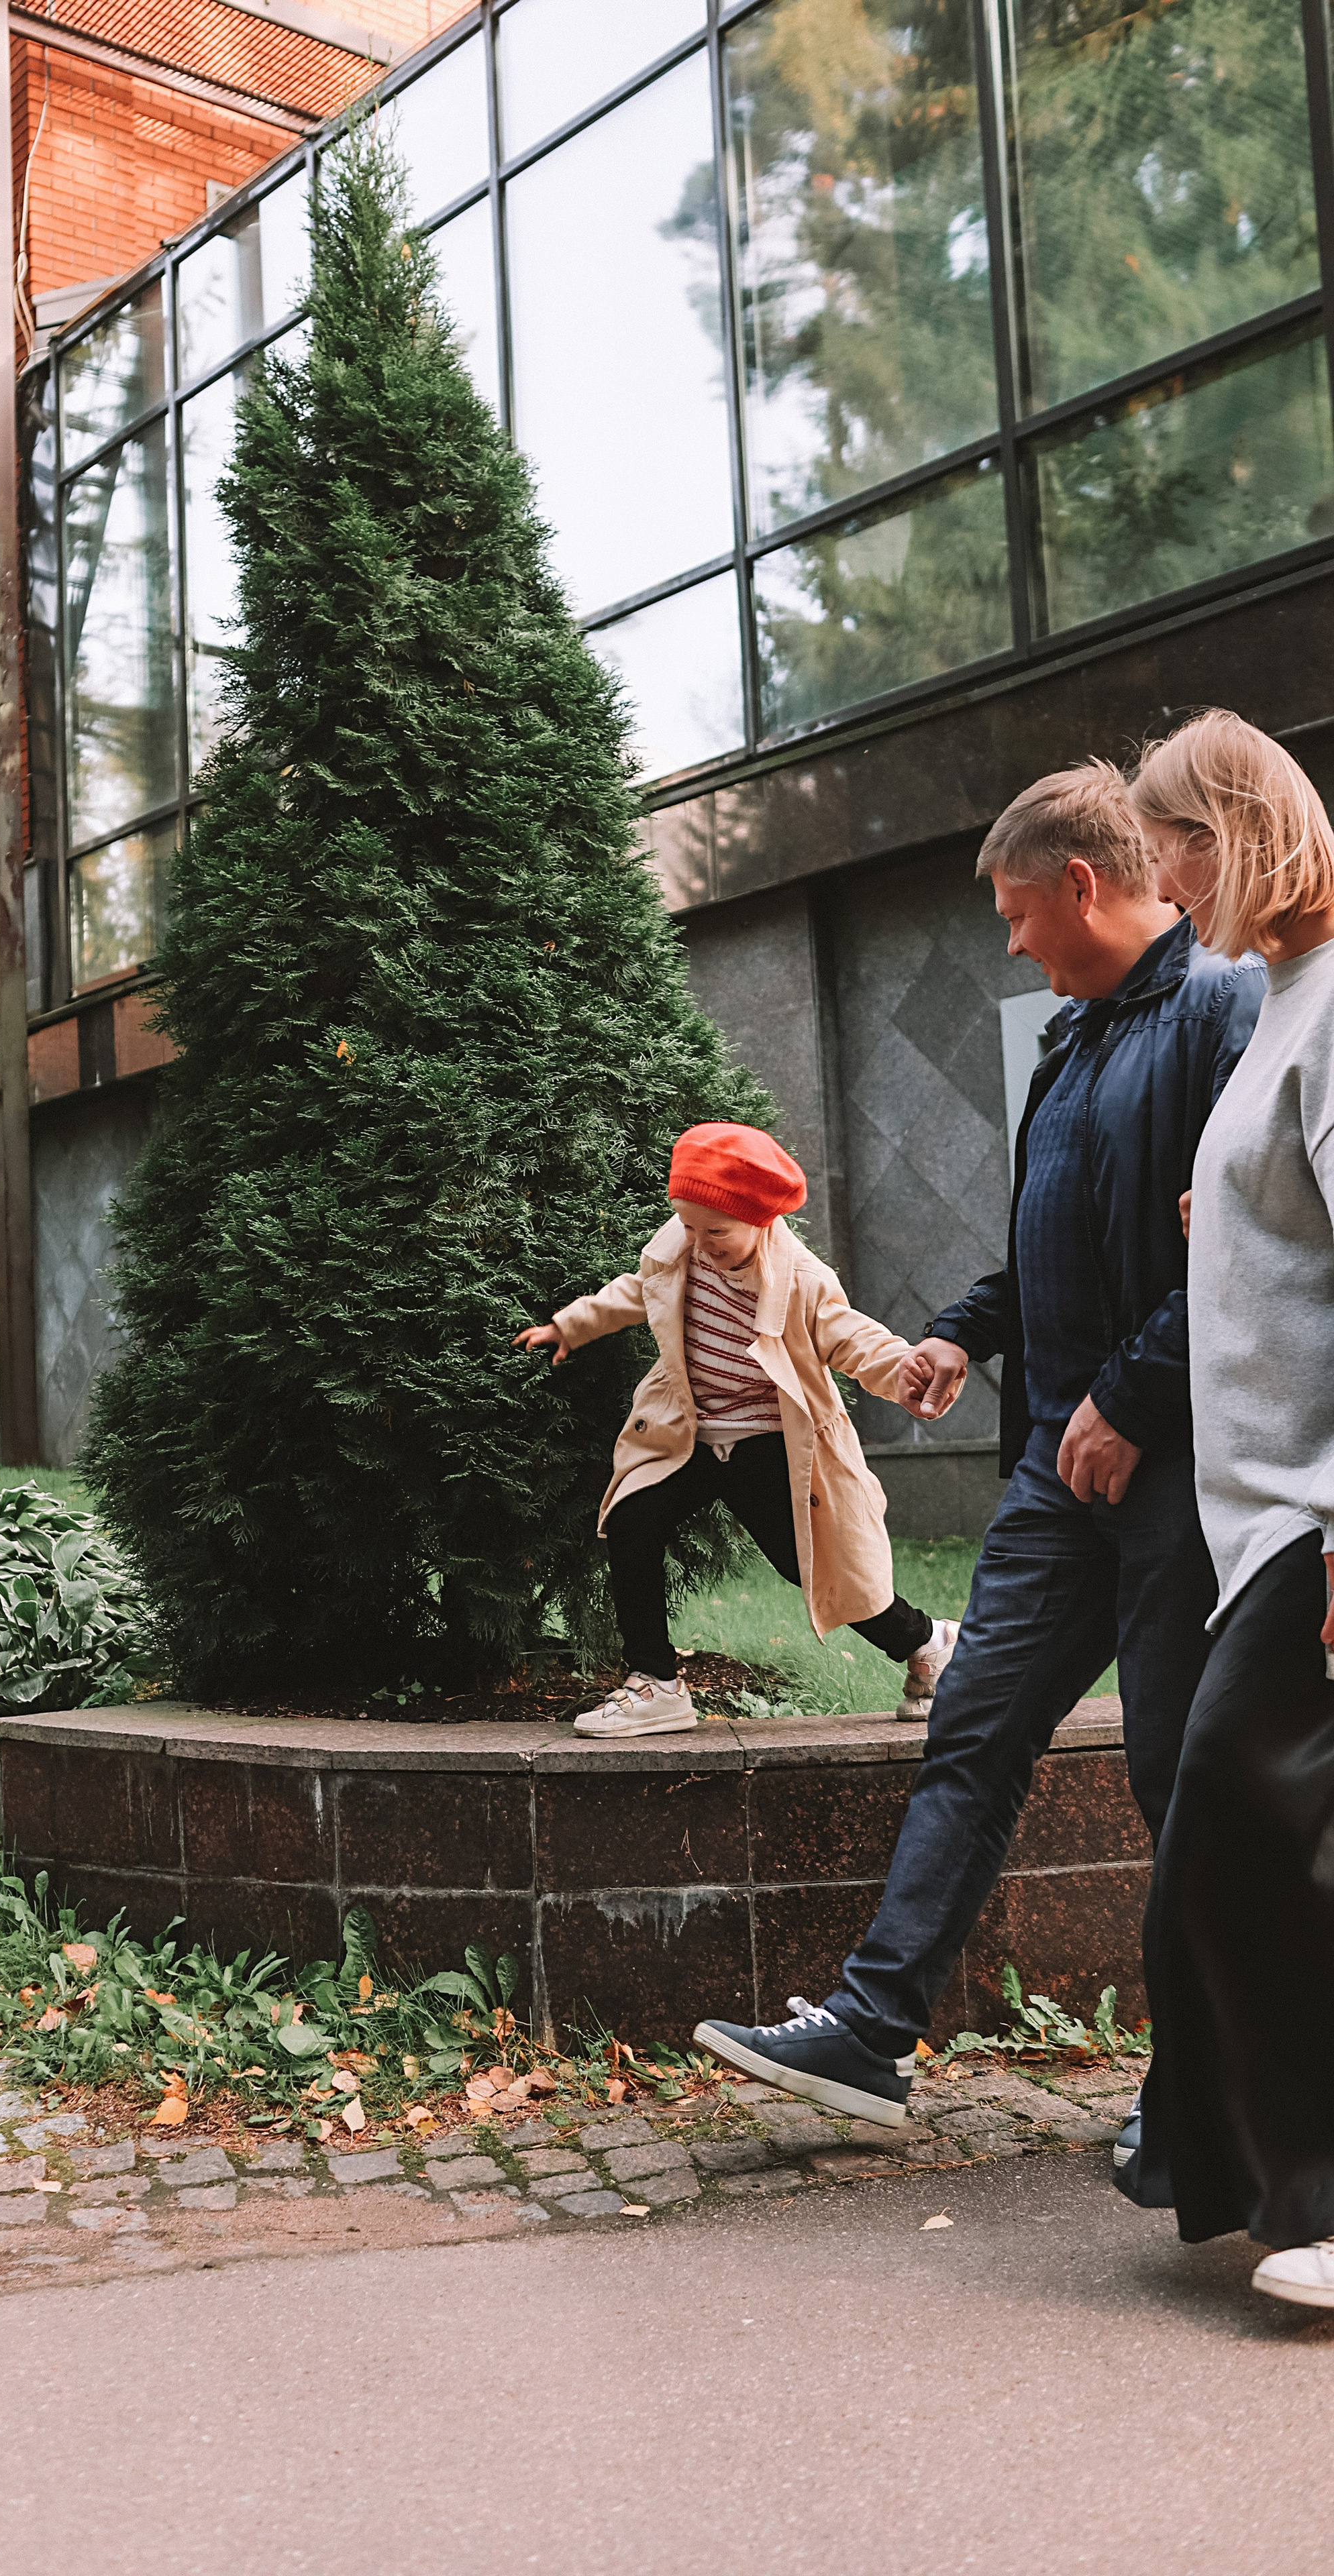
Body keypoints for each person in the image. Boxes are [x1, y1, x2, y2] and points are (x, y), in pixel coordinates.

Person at [691, 761, 1264, 2124]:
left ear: (1079, 883)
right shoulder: (1069, 1042)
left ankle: (1201, 2084)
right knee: (970, 1724)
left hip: (1175, 1469)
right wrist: (958, 1331)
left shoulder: (1216, 1008)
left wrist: (1130, 1401)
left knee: (1172, 1771)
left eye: (1016, 914)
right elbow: (1047, 1243)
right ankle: (870, 2030)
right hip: (1055, 1469)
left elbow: (1247, 1245)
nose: (1007, 942)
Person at [1119, 711, 1334, 2308]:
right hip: (1258, 1513)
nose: (1158, 874)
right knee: (1251, 1839)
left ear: (1240, 826)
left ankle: (1307, 2194)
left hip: (1316, 1513)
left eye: (1172, 841)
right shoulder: (1271, 1001)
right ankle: (1243, 2171)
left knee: (1234, 1833)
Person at [512, 1120, 958, 1739]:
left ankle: (929, 1642)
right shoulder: (680, 1248)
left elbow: (851, 1337)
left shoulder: (801, 1280)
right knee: (632, 1520)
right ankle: (656, 1684)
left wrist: (900, 1368)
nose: (700, 1244)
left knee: (813, 1567)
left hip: (769, 1442)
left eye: (715, 1232)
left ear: (762, 1220)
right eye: (689, 1227)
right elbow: (637, 1292)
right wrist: (572, 1325)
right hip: (687, 1433)